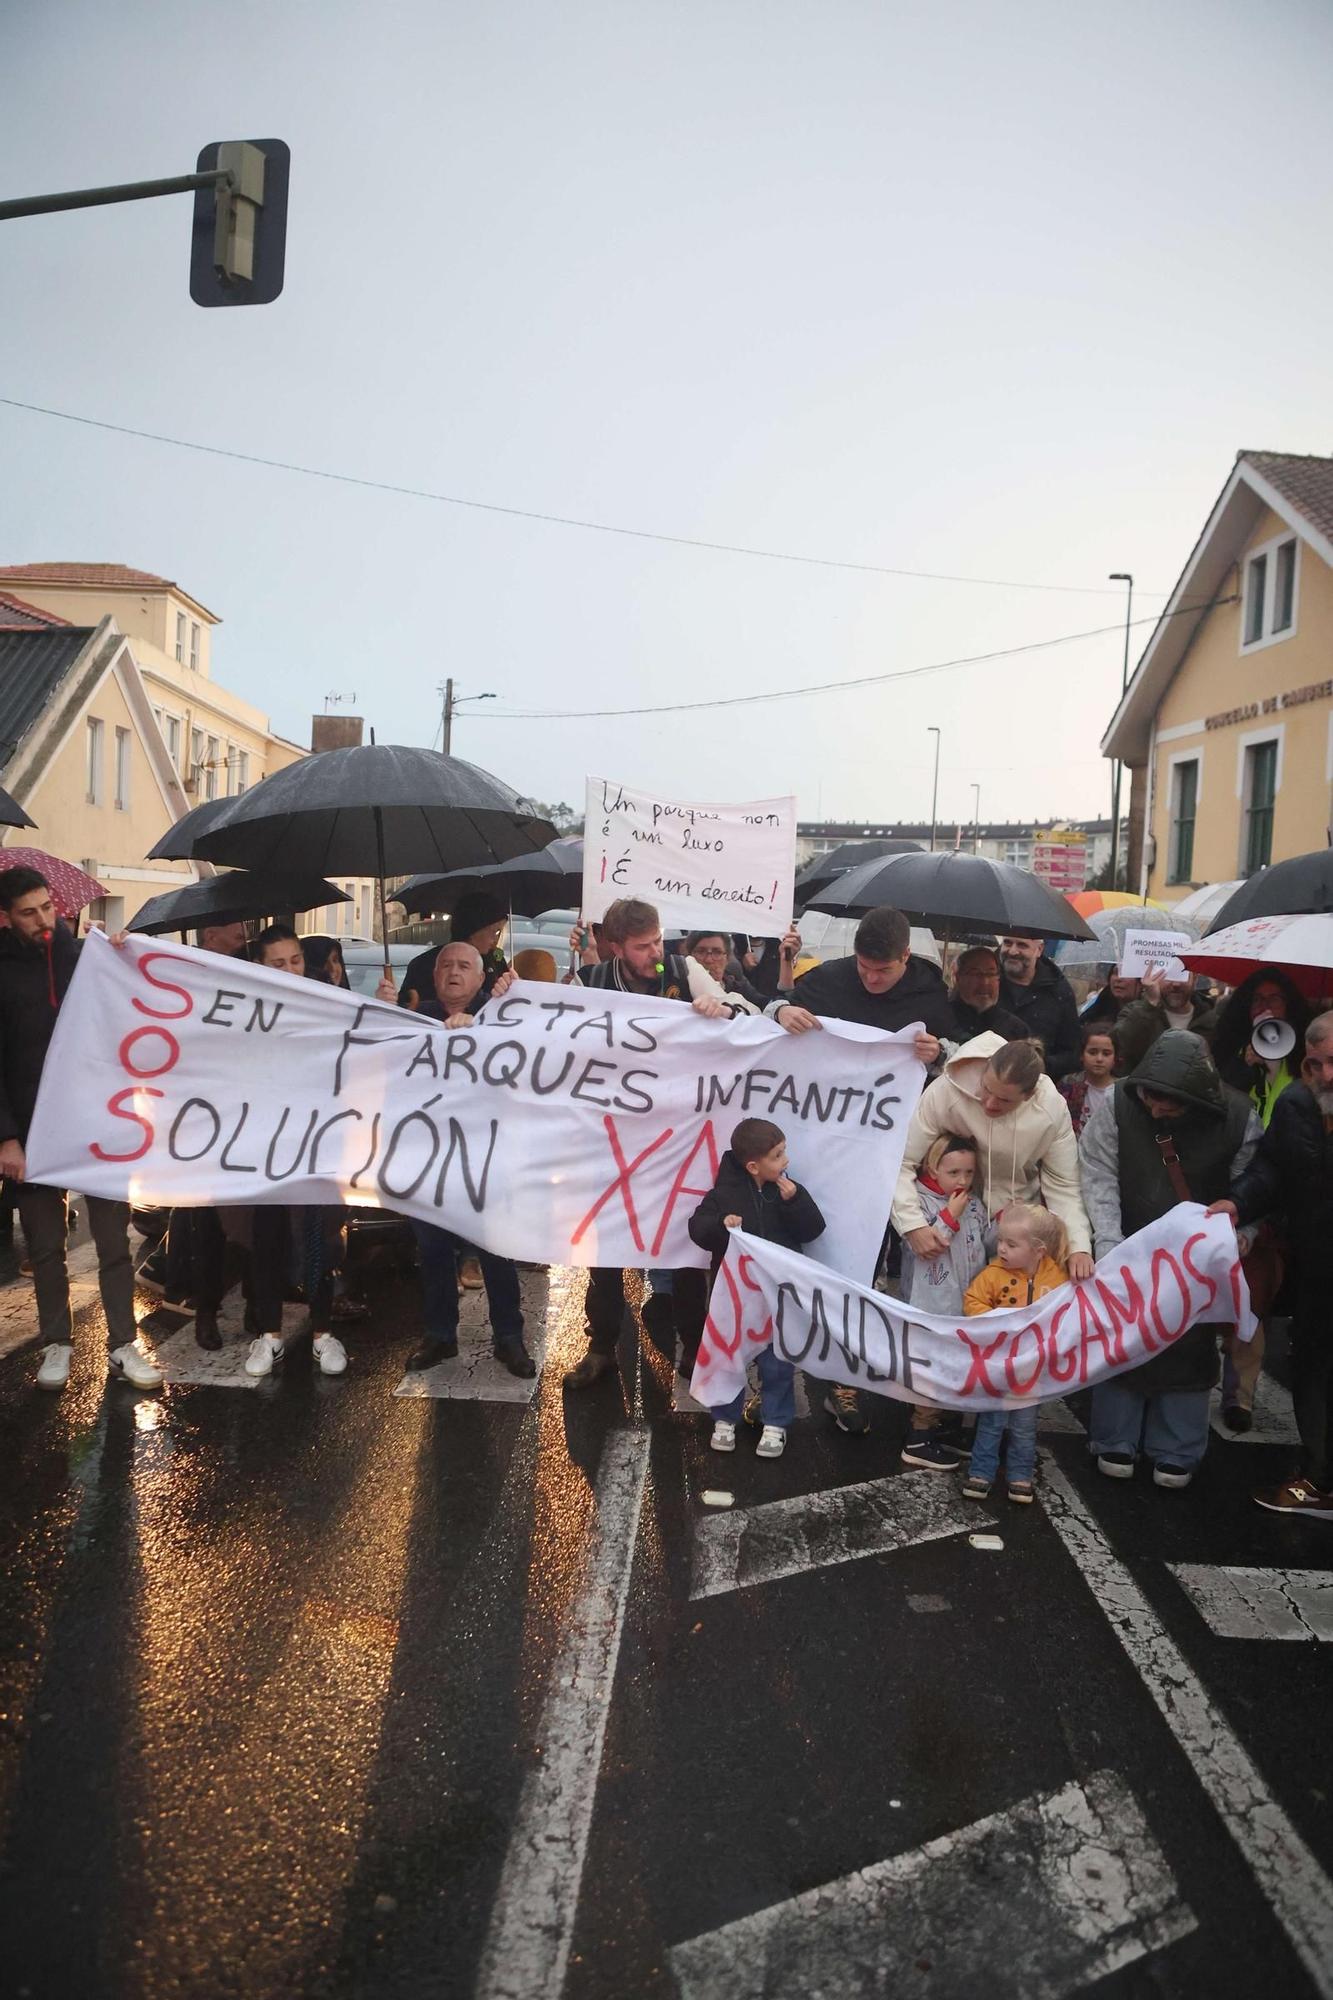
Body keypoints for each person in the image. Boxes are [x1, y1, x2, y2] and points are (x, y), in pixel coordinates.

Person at [768, 905, 949, 1437]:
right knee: (804, 1249)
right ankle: (781, 1364)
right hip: (818, 1142)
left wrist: (936, 1053)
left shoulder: (929, 995)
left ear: (906, 958)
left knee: (863, 1261)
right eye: (864, 968)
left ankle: (844, 1378)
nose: (871, 980)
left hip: (886, 1153)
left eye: (883, 971)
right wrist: (780, 1010)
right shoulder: (825, 980)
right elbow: (765, 1015)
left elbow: (955, 1061)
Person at [892, 1035, 1092, 1461]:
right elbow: (901, 1162)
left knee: (999, 1336)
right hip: (950, 1224)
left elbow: (1063, 1185)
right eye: (985, 1090)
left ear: (1031, 1093)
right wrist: (911, 1225)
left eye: (1003, 1101)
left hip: (1010, 1229)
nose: (988, 1105)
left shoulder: (1051, 1108)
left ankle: (971, 1425)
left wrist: (1077, 1245)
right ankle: (925, 1425)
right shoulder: (946, 1089)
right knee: (942, 1326)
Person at [0, 867, 162, 1392]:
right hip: (33, 1132)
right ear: (6, 917)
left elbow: (131, 1008)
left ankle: (121, 1345)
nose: (45, 919)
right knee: (46, 1248)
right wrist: (6, 1138)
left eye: (48, 907)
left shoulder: (87, 956)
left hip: (99, 1124)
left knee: (114, 1241)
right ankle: (57, 1344)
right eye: (30, 912)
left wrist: (124, 955)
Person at [1080, 1030, 1259, 1488]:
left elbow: (1251, 1188)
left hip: (1197, 1257)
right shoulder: (1119, 1102)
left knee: (1189, 1343)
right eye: (1150, 1099)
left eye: (1169, 1105)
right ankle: (1113, 1437)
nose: (1156, 1110)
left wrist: (1240, 1236)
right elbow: (1097, 1170)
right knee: (1122, 1335)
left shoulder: (1239, 1116)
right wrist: (1109, 1242)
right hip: (1130, 1241)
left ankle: (1177, 1447)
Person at [564, 898, 728, 1390]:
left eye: (658, 939)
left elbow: (742, 1013)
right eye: (642, 945)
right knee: (604, 1249)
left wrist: (717, 1007)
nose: (655, 950)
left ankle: (692, 1346)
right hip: (611, 1140)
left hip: (676, 1139)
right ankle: (600, 1347)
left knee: (681, 1248)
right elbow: (548, 1031)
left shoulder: (685, 969)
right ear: (614, 947)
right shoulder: (588, 983)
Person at [242, 924, 391, 1379]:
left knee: (320, 1241)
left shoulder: (329, 1002)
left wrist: (384, 1009)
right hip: (267, 1143)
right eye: (277, 963)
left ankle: (324, 1334)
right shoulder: (247, 1008)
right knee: (266, 1239)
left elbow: (366, 1045)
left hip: (321, 1141)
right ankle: (269, 1336)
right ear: (259, 967)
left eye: (294, 961)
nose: (289, 969)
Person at [1210, 1011, 1333, 1517]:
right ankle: (1318, 1476)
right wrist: (1237, 1202)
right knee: (1313, 1367)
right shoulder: (1298, 1103)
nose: (1326, 1075)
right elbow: (1271, 1169)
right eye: (1315, 1063)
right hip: (1318, 1265)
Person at [394, 940, 536, 1378]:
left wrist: (484, 1020)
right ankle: (440, 1335)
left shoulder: (501, 1014)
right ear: (434, 976)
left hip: (488, 1159)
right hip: (430, 1160)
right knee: (434, 1250)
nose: (454, 973)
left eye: (464, 966)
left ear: (479, 978)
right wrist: (382, 1012)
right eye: (446, 966)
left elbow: (528, 1055)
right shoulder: (411, 1018)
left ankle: (509, 1337)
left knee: (496, 1249)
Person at [687, 1117, 826, 1459]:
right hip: (734, 1301)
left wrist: (796, 1202)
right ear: (753, 1166)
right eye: (778, 1155)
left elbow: (813, 1230)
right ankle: (724, 1419)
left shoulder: (789, 1190)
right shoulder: (723, 1195)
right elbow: (698, 1229)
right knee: (729, 1357)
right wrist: (723, 1225)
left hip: (778, 1298)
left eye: (783, 1152)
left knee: (777, 1361)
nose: (785, 1161)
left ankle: (775, 1422)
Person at [961, 1203, 1070, 1505]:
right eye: (1000, 1242)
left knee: (1024, 1426)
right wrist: (998, 1318)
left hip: (1033, 1369)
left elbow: (1068, 1313)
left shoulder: (1058, 1278)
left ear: (1039, 1250)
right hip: (999, 1366)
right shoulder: (992, 1274)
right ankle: (981, 1471)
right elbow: (972, 1301)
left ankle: (1019, 1475)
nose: (1002, 1249)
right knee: (991, 1421)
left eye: (1011, 1244)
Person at [897, 1134, 989, 1470]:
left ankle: (946, 1429)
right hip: (930, 1305)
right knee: (931, 1370)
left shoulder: (973, 1202)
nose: (963, 1180)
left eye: (969, 1172)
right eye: (954, 1172)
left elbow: (985, 1240)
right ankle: (919, 1436)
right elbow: (926, 1247)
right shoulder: (917, 1203)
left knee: (956, 1367)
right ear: (933, 1167)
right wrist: (950, 1214)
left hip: (966, 1303)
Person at [1209, 969, 1310, 1116]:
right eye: (1257, 999)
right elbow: (1221, 1100)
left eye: (1274, 999)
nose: (1265, 1007)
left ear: (1288, 1005)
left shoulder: (1304, 1052)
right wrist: (1244, 1068)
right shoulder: (1229, 1048)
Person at [399, 891, 509, 1012]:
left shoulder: (496, 962)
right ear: (476, 929)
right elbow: (403, 1011)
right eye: (495, 931)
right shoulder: (423, 965)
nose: (496, 939)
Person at [998, 935, 1081, 1083]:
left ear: (1039, 950)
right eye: (1007, 943)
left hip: (1036, 1085)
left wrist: (1038, 1065)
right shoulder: (985, 979)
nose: (1012, 951)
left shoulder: (1059, 991)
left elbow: (1072, 1052)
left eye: (1022, 945)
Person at [1113, 972, 1218, 1076]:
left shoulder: (1210, 1019)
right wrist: (1150, 1005)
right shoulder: (1134, 1011)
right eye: (1169, 976)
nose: (1176, 984)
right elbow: (1119, 1045)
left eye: (1182, 976)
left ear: (1194, 979)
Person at [684, 927, 799, 1013]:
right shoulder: (680, 985)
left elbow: (769, 1004)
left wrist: (786, 962)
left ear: (727, 958)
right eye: (700, 951)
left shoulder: (734, 982)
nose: (709, 959)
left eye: (717, 952)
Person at [948, 945, 1029, 1044]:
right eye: (976, 974)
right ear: (958, 977)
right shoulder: (943, 1019)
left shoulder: (1016, 1029)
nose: (985, 982)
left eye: (990, 974)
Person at [1058, 1021, 1118, 1138]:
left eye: (1106, 1054)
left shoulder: (1122, 1091)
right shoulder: (1068, 1085)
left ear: (1115, 1057)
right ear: (1082, 1054)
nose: (1099, 1059)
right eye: (1093, 1052)